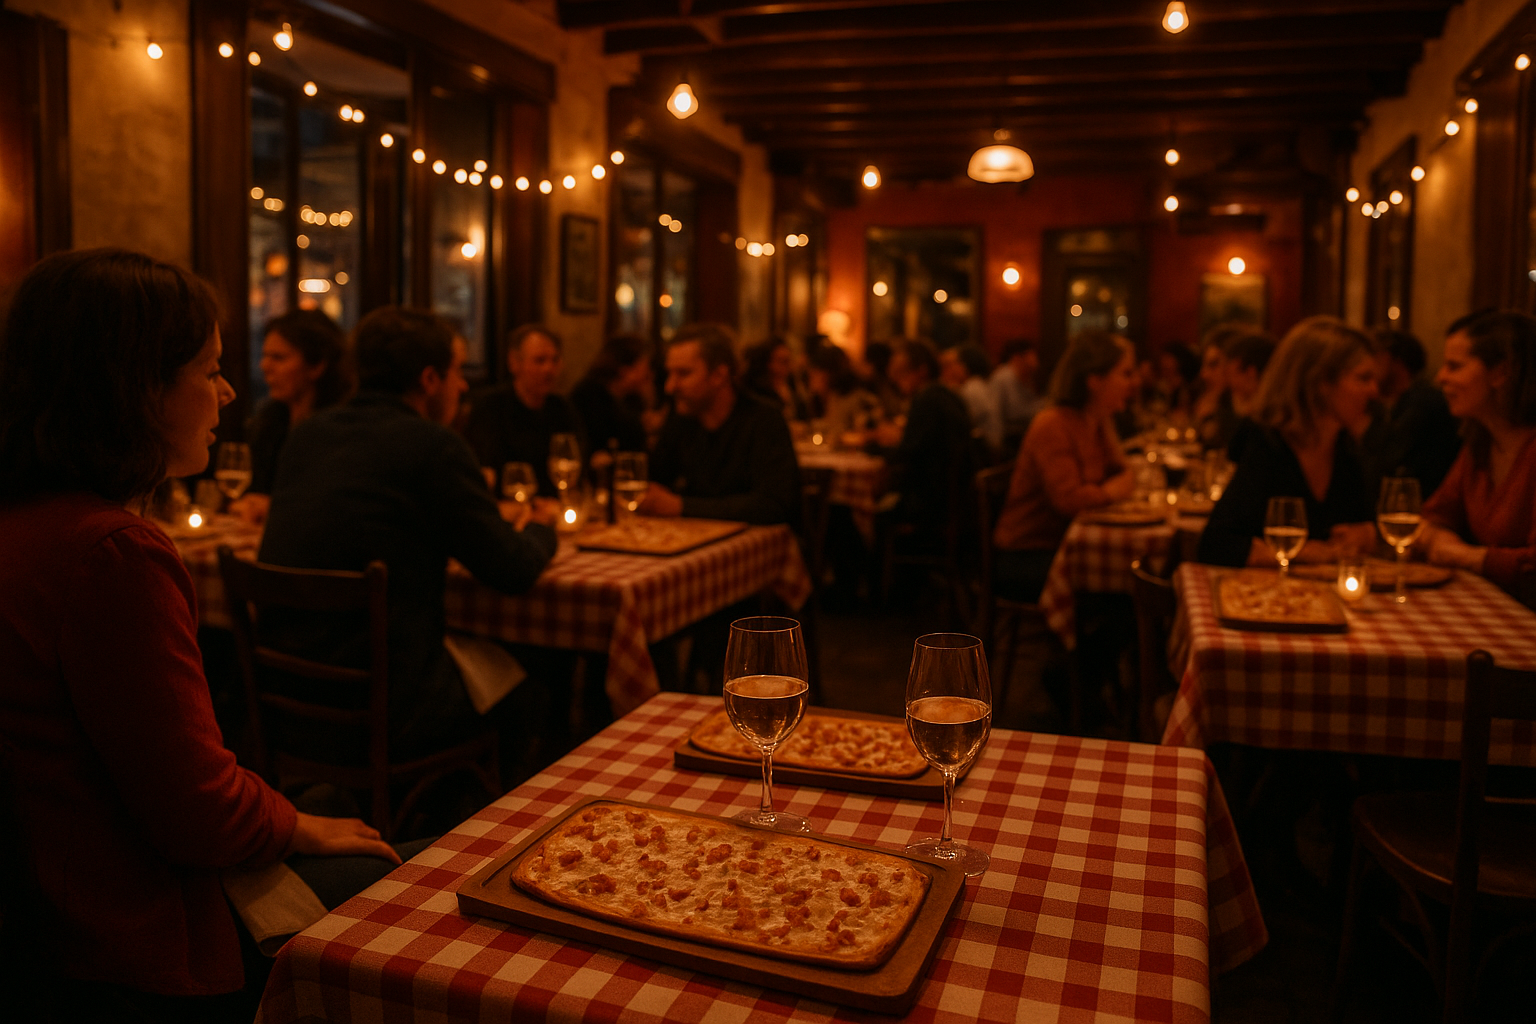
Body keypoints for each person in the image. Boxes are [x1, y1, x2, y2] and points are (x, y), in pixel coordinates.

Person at [0, 249, 400, 1021]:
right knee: (426, 878)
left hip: (46, 918)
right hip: (134, 934)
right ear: (136, 387)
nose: (226, 393)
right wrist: (299, 827)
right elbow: (196, 812)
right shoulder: (110, 552)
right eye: (209, 369)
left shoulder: (28, 521)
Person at [260, 307, 558, 761]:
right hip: (391, 706)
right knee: (534, 683)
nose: (463, 387)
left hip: (286, 693)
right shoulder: (433, 446)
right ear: (429, 380)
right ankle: (478, 823)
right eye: (457, 372)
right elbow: (511, 570)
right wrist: (542, 528)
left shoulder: (308, 435)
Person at [1198, 316, 1379, 567]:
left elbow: (1368, 524)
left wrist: (1367, 534)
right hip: (1267, 600)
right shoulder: (1268, 444)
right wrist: (1301, 552)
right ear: (1321, 383)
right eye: (1363, 378)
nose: (1374, 390)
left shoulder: (1346, 448)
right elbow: (1216, 544)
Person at [992, 332, 1137, 602]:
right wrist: (1112, 492)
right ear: (1094, 381)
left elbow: (1123, 473)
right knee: (1127, 587)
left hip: (1066, 546)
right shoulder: (1053, 424)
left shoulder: (1097, 420)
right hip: (1027, 554)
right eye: (1126, 374)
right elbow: (1069, 501)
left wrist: (1117, 484)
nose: (1134, 383)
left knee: (1138, 576)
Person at [1420, 310, 1536, 593]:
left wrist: (1469, 557)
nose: (1440, 377)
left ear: (1500, 373)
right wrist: (1438, 538)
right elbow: (1434, 516)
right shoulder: (1481, 442)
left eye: (1454, 366)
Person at [642, 323, 801, 525]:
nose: (670, 387)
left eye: (683, 374)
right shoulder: (681, 419)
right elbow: (656, 482)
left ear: (719, 375)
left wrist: (681, 506)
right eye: (669, 374)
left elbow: (773, 505)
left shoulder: (764, 420)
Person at [231, 309, 352, 526]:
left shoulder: (342, 429)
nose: (265, 366)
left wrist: (275, 507)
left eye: (278, 358)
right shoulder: (270, 421)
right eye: (265, 356)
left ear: (317, 365)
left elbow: (338, 508)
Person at [872, 338, 976, 542]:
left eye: (901, 374)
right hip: (956, 503)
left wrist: (872, 448)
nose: (896, 382)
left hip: (931, 505)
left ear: (921, 370)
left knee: (865, 513)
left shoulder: (927, 399)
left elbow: (907, 453)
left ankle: (883, 573)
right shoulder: (948, 394)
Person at [464, 324, 586, 496]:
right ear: (514, 363)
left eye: (555, 360)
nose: (549, 369)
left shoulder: (562, 408)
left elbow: (579, 466)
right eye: (540, 360)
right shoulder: (490, 407)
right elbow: (485, 474)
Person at [1359, 328, 1461, 499]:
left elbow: (1387, 465)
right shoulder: (1390, 405)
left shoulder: (1424, 402)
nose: (1367, 365)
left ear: (1396, 361)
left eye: (1374, 356)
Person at [569, 333, 652, 455]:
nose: (648, 373)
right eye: (644, 365)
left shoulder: (631, 398)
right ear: (624, 370)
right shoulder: (589, 396)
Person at [1222, 329, 1277, 462]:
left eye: (1231, 374)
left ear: (1250, 373)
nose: (1229, 383)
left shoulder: (1269, 418)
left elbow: (1234, 454)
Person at [807, 343, 882, 437]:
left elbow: (869, 434)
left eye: (814, 375)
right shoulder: (822, 401)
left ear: (828, 375)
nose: (811, 381)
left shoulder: (860, 400)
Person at [941, 344, 1002, 455]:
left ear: (966, 365)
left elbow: (960, 424)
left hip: (986, 452)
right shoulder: (979, 384)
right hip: (992, 448)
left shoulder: (972, 388)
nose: (949, 370)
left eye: (954, 364)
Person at [989, 338, 1045, 455]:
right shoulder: (1004, 378)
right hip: (1007, 442)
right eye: (1032, 355)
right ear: (1018, 358)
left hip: (1019, 438)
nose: (1036, 361)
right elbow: (1014, 412)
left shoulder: (1025, 377)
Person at [741, 336, 810, 421]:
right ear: (767, 363)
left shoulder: (791, 386)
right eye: (782, 361)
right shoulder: (757, 393)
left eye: (789, 360)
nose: (788, 366)